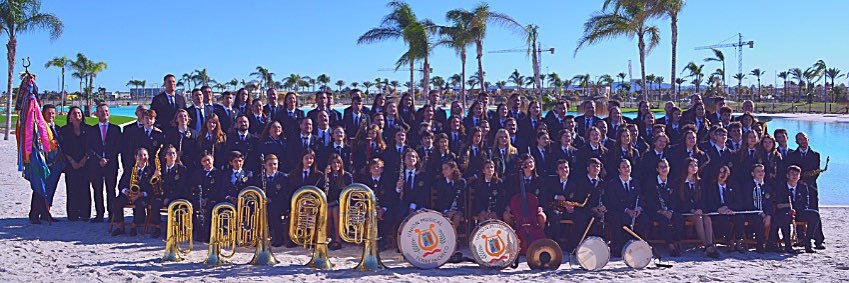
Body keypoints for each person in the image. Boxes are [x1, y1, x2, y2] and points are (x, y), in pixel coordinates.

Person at [604, 159, 648, 256]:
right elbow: (612, 201)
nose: (626, 169)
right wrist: (627, 210)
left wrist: (639, 208)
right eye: (623, 167)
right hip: (619, 211)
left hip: (634, 211)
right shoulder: (613, 183)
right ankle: (619, 247)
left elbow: (640, 197)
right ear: (619, 169)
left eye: (628, 166)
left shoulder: (635, 182)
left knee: (644, 219)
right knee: (617, 219)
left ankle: (637, 246)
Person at [676, 157, 719, 258]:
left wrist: (700, 209)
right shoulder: (680, 182)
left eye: (695, 165)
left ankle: (710, 244)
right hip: (687, 211)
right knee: (698, 219)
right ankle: (706, 246)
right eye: (691, 165)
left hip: (699, 210)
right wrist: (692, 210)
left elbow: (703, 199)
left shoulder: (700, 182)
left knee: (707, 218)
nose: (694, 167)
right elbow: (680, 200)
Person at [543, 159, 589, 252]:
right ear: (556, 171)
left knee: (581, 217)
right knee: (554, 216)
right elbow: (545, 195)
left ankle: (573, 244)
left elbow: (579, 198)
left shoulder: (575, 183)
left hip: (569, 209)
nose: (564, 170)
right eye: (561, 168)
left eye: (566, 167)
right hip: (555, 208)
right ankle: (555, 244)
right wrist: (556, 196)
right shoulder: (550, 181)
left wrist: (572, 206)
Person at [29, 104, 64, 224]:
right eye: (48, 113)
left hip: (56, 164)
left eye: (53, 113)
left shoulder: (57, 128)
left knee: (50, 189)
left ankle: (45, 212)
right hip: (43, 164)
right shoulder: (39, 129)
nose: (51, 115)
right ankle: (34, 214)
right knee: (39, 189)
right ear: (43, 114)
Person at [773, 165, 821, 253]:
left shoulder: (803, 187)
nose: (794, 176)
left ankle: (807, 241)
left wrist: (795, 208)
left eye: (796, 174)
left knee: (815, 215)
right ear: (787, 175)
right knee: (785, 217)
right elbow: (778, 205)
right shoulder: (781, 187)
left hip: (799, 211)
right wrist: (788, 206)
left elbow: (805, 204)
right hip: (785, 212)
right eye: (792, 174)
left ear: (799, 176)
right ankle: (788, 245)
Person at [87, 104, 121, 223]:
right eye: (101, 111)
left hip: (111, 164)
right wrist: (99, 159)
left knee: (111, 190)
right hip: (96, 165)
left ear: (109, 113)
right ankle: (99, 214)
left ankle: (111, 214)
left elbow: (118, 147)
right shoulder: (91, 130)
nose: (104, 113)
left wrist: (108, 159)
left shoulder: (116, 129)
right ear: (97, 114)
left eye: (106, 111)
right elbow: (89, 147)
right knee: (97, 190)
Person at [111, 147, 155, 236]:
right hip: (129, 194)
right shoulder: (129, 169)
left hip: (142, 195)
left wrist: (140, 194)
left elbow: (152, 188)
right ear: (135, 157)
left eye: (145, 155)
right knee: (116, 202)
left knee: (140, 204)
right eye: (140, 155)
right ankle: (120, 226)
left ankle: (134, 225)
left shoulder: (151, 171)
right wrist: (126, 191)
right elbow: (121, 184)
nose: (142, 157)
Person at [644, 159, 684, 256]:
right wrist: (661, 211)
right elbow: (649, 200)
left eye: (666, 166)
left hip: (669, 210)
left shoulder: (672, 182)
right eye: (661, 167)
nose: (664, 169)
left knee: (678, 218)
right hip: (656, 211)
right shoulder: (651, 182)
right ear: (657, 169)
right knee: (663, 221)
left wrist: (670, 210)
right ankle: (670, 245)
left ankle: (676, 242)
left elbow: (675, 199)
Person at [705, 166, 746, 252]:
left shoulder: (734, 185)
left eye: (725, 173)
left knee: (740, 218)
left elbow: (739, 201)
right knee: (724, 219)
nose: (723, 175)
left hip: (730, 210)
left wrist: (729, 208)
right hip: (718, 212)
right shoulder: (711, 186)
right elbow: (708, 202)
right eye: (720, 172)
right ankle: (729, 241)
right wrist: (718, 209)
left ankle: (738, 242)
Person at [150, 145, 187, 239]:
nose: (172, 155)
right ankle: (157, 228)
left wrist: (168, 198)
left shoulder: (181, 169)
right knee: (154, 203)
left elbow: (180, 188)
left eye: (174, 153)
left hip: (175, 196)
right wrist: (154, 176)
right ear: (165, 156)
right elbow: (152, 184)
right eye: (169, 153)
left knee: (173, 205)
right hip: (161, 194)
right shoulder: (160, 168)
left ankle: (171, 229)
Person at [61, 106, 91, 221]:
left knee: (84, 188)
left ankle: (84, 214)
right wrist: (73, 162)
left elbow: (91, 147)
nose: (77, 115)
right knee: (72, 188)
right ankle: (73, 214)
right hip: (70, 164)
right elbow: (64, 148)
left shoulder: (88, 129)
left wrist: (83, 160)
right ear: (70, 116)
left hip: (86, 163)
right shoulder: (65, 130)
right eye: (74, 113)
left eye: (79, 113)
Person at [738, 164, 772, 253]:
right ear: (753, 173)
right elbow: (747, 202)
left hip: (765, 213)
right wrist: (760, 212)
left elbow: (770, 202)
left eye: (762, 171)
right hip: (752, 212)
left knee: (775, 219)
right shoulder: (748, 185)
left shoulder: (768, 186)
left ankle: (771, 244)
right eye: (758, 171)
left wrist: (768, 215)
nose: (761, 173)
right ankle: (759, 244)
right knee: (757, 220)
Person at [324, 153, 354, 250]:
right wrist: (325, 176)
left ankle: (337, 239)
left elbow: (349, 193)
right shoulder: (327, 176)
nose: (336, 165)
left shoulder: (347, 176)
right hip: (329, 203)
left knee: (335, 211)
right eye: (333, 163)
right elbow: (323, 191)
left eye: (338, 163)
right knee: (329, 211)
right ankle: (327, 238)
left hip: (342, 203)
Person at [434, 160, 467, 233]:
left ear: (452, 169)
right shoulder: (441, 182)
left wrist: (456, 210)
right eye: (443, 169)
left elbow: (462, 199)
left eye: (446, 168)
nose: (443, 171)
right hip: (445, 209)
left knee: (457, 217)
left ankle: (452, 237)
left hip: (458, 209)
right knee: (447, 217)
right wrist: (446, 210)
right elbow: (440, 199)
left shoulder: (461, 182)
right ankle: (447, 237)